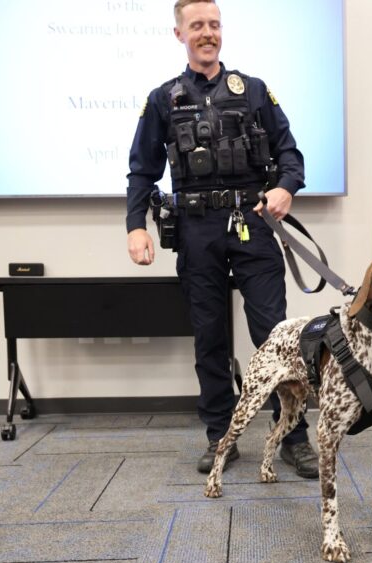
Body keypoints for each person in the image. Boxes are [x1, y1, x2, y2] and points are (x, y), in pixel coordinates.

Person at [125, 0, 318, 478]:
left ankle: (292, 436)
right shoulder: (163, 99)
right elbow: (142, 171)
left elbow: (290, 155)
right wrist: (135, 226)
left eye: (214, 24)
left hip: (251, 222)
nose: (207, 33)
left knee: (275, 335)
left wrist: (284, 188)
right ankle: (221, 437)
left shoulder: (252, 91)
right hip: (196, 229)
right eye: (197, 26)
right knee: (209, 337)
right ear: (180, 34)